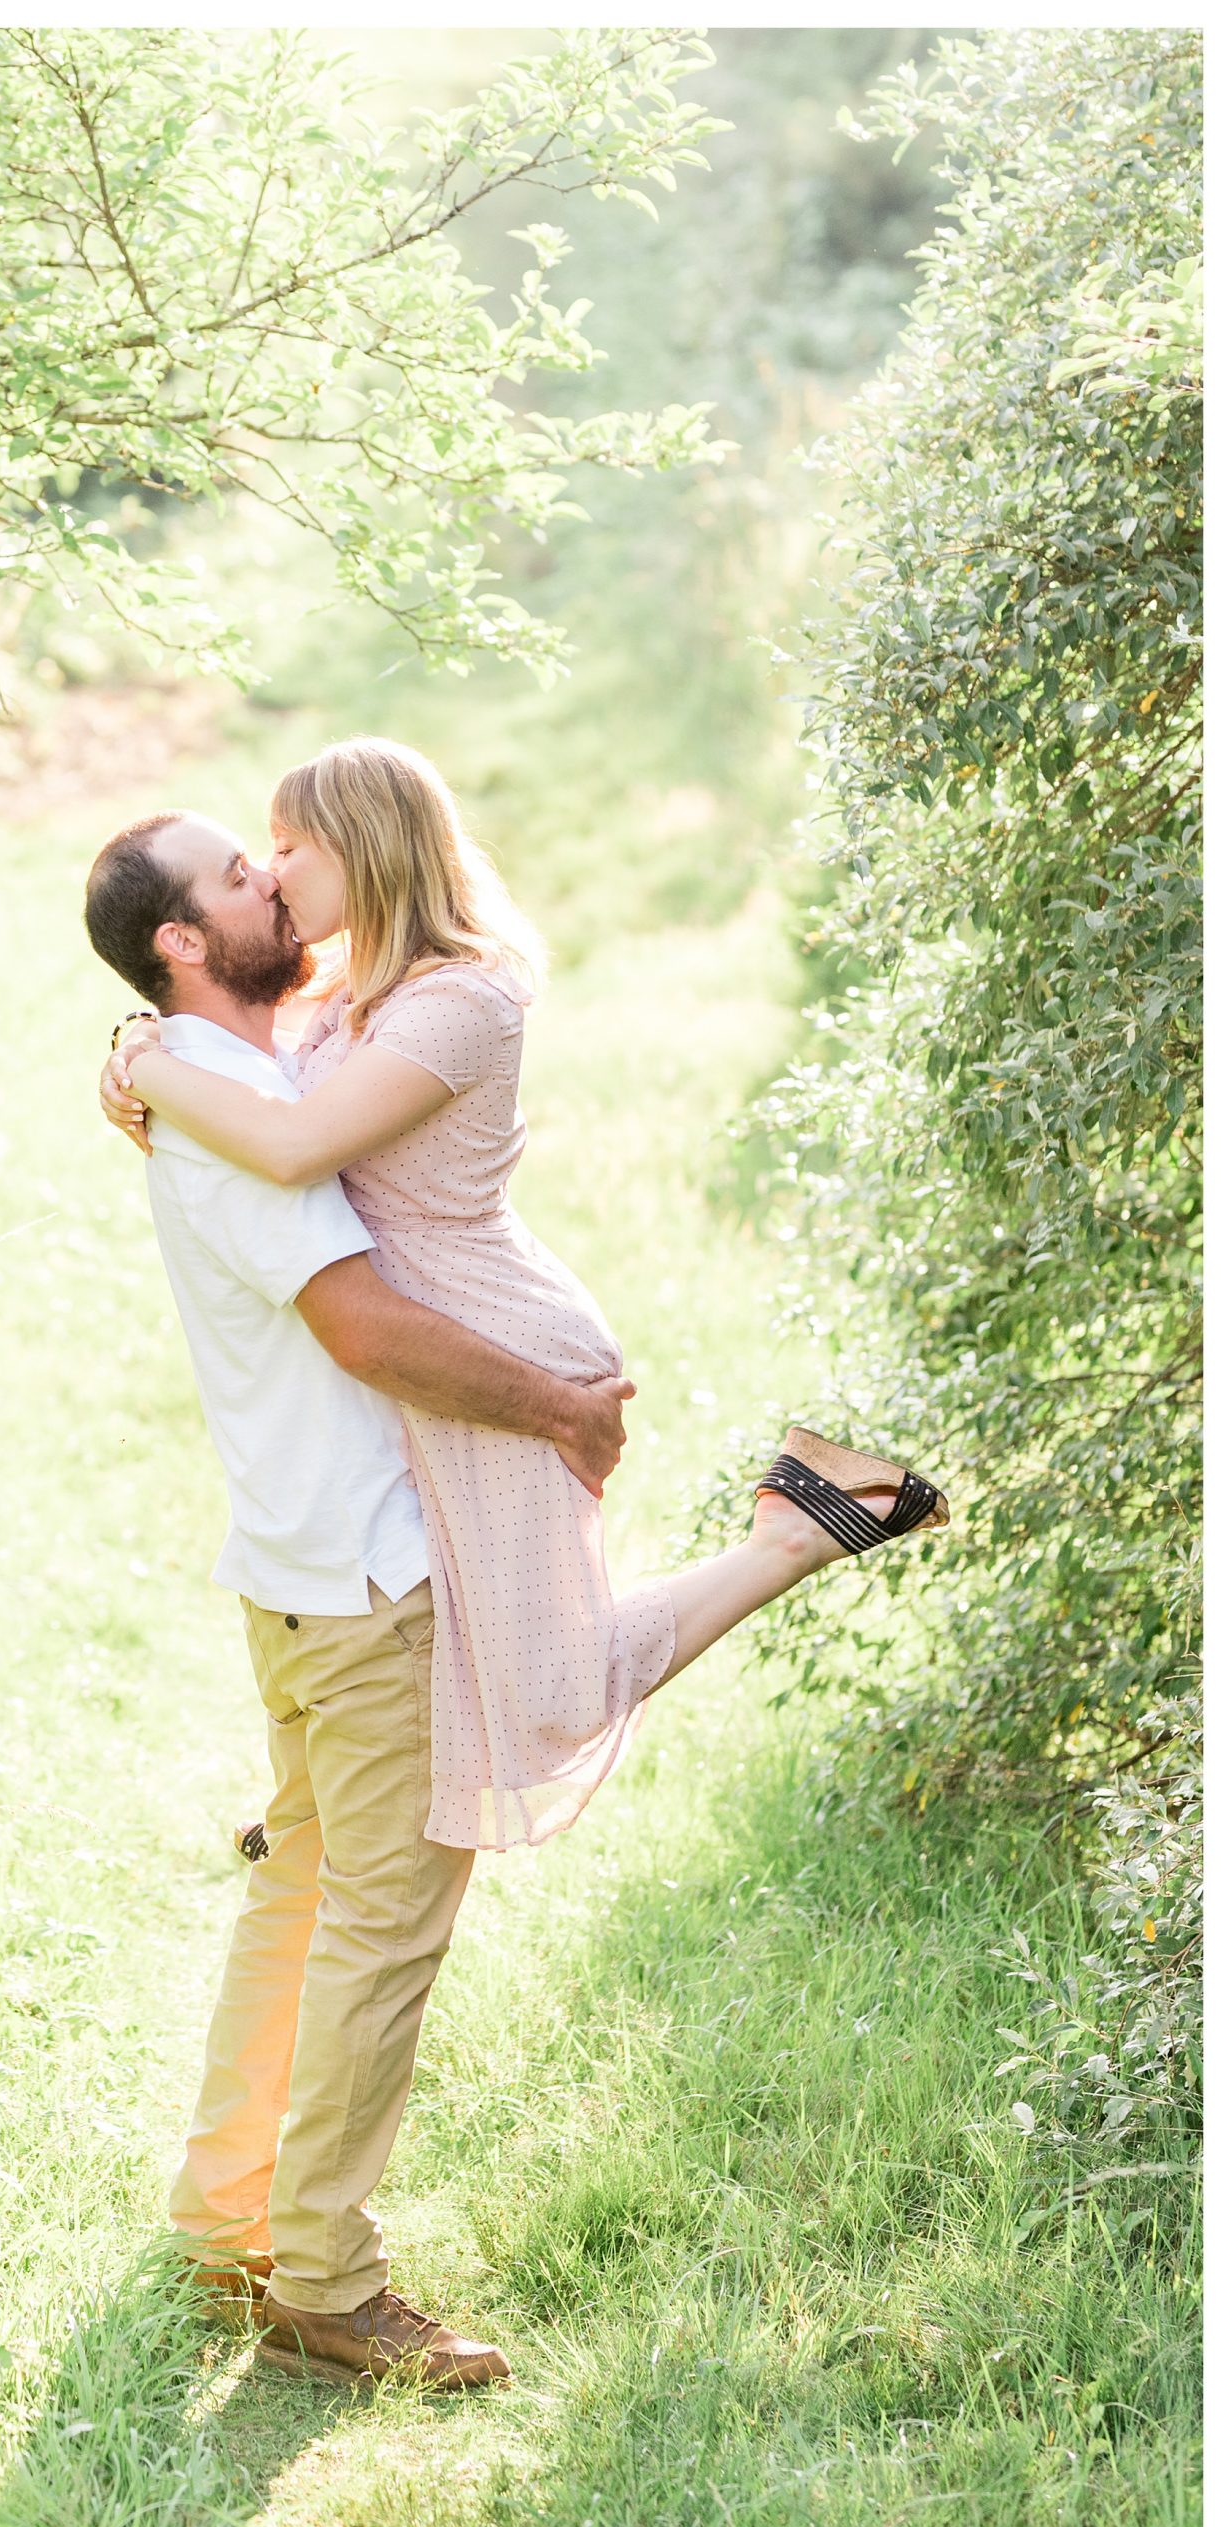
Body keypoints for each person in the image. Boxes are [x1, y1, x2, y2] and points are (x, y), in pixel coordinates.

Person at [102, 738, 948, 1867]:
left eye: (291, 847)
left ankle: (795, 1532)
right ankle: (320, 1805)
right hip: (431, 1334)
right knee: (468, 1651)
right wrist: (132, 1035)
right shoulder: (356, 983)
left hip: (494, 1333)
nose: (271, 870)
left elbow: (296, 1141)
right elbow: (222, 1011)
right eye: (259, 856)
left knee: (552, 1684)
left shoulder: (462, 1000)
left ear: (364, 850)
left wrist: (146, 1072)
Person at [83, 809, 642, 2392]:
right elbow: (365, 1327)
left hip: (305, 1568)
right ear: (185, 944)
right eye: (239, 877)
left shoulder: (241, 1071)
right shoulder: (238, 1102)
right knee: (385, 1927)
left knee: (307, 1896)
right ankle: (325, 2278)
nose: (273, 878)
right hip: (361, 1580)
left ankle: (225, 2217)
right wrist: (557, 1405)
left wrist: (135, 1050)